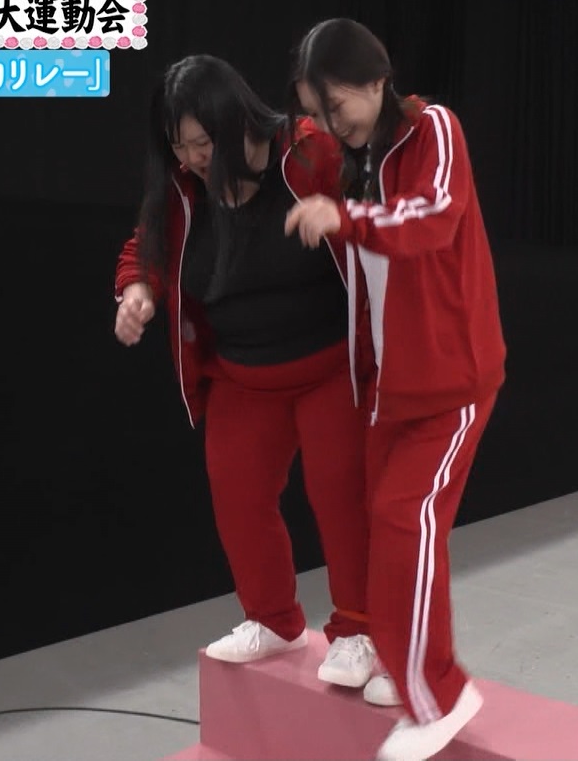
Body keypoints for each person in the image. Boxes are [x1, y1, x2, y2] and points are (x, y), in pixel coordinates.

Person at [112, 54, 379, 692]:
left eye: (202, 142)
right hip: (243, 376)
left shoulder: (308, 153)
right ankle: (273, 619)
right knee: (237, 496)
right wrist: (137, 290)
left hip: (328, 368)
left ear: (235, 120)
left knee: (340, 497)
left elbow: (374, 213)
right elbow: (144, 246)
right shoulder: (184, 188)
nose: (193, 158)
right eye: (180, 146)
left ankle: (360, 629)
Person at [286, 18, 507, 761]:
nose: (330, 124)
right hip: (392, 384)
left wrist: (344, 217)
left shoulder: (434, 128)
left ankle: (439, 693)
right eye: (317, 112)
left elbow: (434, 217)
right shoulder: (358, 159)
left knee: (407, 518)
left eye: (336, 105)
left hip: (454, 378)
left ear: (377, 81)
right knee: (388, 523)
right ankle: (403, 661)